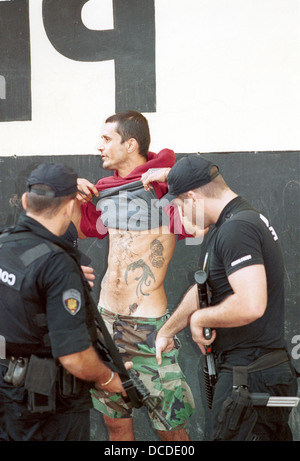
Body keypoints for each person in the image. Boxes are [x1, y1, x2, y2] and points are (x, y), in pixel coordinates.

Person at [146, 154, 298, 441]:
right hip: (254, 375)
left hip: (251, 376)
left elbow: (251, 304)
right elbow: (207, 288)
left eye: (180, 206)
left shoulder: (237, 228)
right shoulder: (231, 224)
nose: (184, 216)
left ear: (192, 197)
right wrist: (168, 330)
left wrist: (201, 318)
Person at [72, 111, 194, 441]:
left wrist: (171, 174)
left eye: (107, 139)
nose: (99, 147)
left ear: (130, 144)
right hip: (108, 321)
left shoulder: (166, 188)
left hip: (148, 328)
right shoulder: (105, 188)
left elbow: (203, 215)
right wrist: (73, 194)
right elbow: (83, 230)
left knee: (169, 426)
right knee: (114, 421)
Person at [0, 162, 130, 441]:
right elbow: (74, 357)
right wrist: (107, 378)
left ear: (25, 201)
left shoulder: (5, 244)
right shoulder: (58, 264)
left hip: (8, 396)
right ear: (71, 206)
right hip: (49, 408)